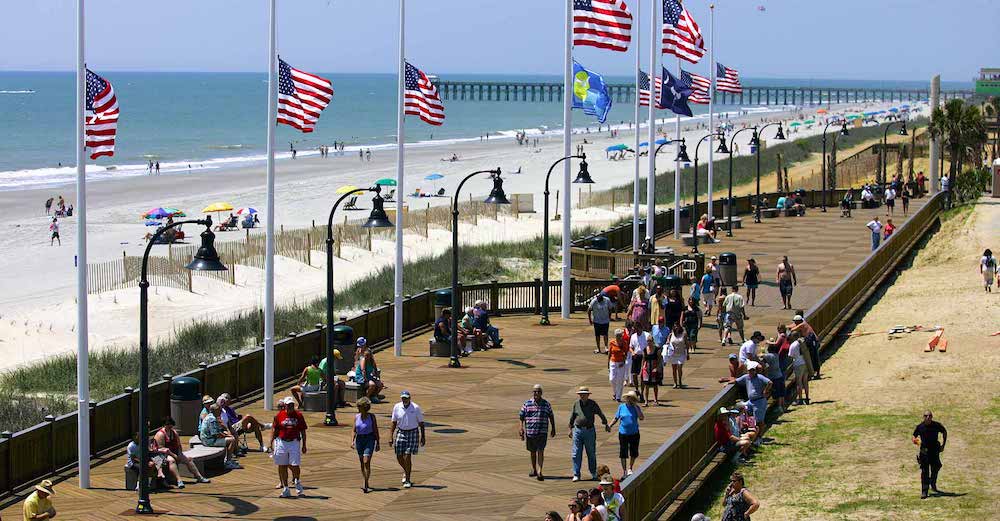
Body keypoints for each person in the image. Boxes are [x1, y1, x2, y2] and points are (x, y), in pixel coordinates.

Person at [568, 386, 610, 482]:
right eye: (580, 394)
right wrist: (570, 429)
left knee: (591, 452)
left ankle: (593, 473)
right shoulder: (576, 404)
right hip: (577, 430)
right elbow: (572, 417)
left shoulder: (592, 404)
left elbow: (600, 413)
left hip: (589, 430)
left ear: (588, 395)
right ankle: (576, 474)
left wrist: (605, 424)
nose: (582, 396)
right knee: (576, 453)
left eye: (584, 394)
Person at [152, 416, 210, 484]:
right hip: (163, 454)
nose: (169, 426)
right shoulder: (160, 434)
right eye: (167, 424)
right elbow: (162, 449)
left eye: (170, 424)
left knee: (188, 460)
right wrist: (174, 455)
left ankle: (199, 477)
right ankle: (179, 480)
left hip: (173, 452)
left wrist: (179, 454)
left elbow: (179, 445)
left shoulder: (174, 433)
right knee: (172, 460)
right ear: (164, 425)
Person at [271, 396, 308, 497]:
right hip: (282, 442)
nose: (290, 407)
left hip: (294, 442)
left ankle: (297, 481)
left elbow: (303, 431)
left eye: (292, 405)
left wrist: (304, 445)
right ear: (285, 405)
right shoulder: (279, 415)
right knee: (282, 465)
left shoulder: (299, 415)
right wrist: (271, 443)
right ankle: (285, 488)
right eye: (288, 405)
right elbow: (275, 430)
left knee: (295, 464)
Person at [519, 384, 556, 480]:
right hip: (530, 432)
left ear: (541, 393)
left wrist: (553, 428)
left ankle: (540, 471)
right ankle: (534, 469)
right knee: (532, 451)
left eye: (538, 391)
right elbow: (521, 417)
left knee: (540, 450)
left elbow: (551, 416)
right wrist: (521, 428)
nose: (536, 393)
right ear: (533, 393)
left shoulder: (546, 404)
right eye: (535, 391)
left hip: (542, 431)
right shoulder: (527, 403)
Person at [390, 390, 426, 489]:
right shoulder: (397, 407)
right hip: (401, 431)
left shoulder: (415, 407)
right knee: (399, 455)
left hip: (413, 432)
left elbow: (421, 423)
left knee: (407, 455)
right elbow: (393, 422)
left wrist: (423, 437)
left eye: (406, 398)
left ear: (410, 398)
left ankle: (408, 479)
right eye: (403, 398)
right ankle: (406, 470)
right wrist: (390, 436)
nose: (404, 399)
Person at [721, 361, 772, 430]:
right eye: (750, 371)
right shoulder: (746, 377)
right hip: (750, 401)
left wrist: (766, 390)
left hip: (759, 401)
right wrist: (727, 383)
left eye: (753, 370)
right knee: (742, 410)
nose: (751, 372)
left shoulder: (760, 377)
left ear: (755, 370)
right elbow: (736, 380)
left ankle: (759, 436)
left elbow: (770, 382)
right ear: (747, 371)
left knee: (759, 421)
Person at [912, 411, 947, 499]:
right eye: (926, 416)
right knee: (925, 472)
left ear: (932, 417)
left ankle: (933, 482)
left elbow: (944, 432)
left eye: (930, 416)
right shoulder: (920, 427)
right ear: (923, 417)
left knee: (937, 466)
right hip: (924, 452)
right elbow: (914, 436)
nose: (928, 417)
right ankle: (924, 491)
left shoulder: (936, 425)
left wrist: (943, 445)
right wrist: (916, 441)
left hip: (934, 451)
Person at [608, 391, 643, 477]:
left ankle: (630, 468)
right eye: (628, 398)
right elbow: (616, 418)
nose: (629, 399)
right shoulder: (621, 407)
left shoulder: (636, 407)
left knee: (633, 452)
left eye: (632, 398)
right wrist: (610, 425)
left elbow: (641, 418)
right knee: (623, 452)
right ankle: (624, 471)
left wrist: (636, 407)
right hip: (623, 433)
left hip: (634, 433)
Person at [351, 397, 380, 493]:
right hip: (359, 439)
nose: (358, 408)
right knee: (361, 462)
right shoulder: (357, 416)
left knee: (366, 461)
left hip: (369, 439)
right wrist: (352, 441)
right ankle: (365, 480)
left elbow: (375, 430)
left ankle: (366, 483)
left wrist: (378, 443)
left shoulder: (371, 417)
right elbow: (354, 430)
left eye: (359, 407)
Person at [200, 404, 241, 469]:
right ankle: (228, 462)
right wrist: (228, 435)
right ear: (214, 411)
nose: (220, 411)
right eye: (219, 410)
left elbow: (218, 431)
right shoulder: (212, 419)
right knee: (232, 440)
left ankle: (227, 459)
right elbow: (216, 434)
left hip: (208, 438)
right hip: (209, 441)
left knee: (230, 438)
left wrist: (225, 433)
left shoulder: (211, 416)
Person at [759, 342, 786, 413]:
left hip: (774, 377)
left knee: (777, 393)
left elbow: (761, 356)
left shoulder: (769, 356)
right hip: (779, 375)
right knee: (781, 392)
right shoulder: (776, 355)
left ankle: (779, 407)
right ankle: (783, 406)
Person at [639, 329, 662, 406]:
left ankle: (656, 399)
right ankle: (646, 401)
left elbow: (659, 359)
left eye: (650, 341)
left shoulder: (657, 349)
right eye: (648, 341)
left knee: (655, 385)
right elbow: (643, 359)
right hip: (647, 368)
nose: (649, 342)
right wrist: (642, 369)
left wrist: (657, 368)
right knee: (646, 385)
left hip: (654, 367)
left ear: (653, 341)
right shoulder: (645, 349)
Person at [788, 332, 810, 405]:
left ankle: (800, 399)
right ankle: (807, 398)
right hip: (805, 363)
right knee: (805, 381)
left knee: (799, 382)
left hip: (798, 364)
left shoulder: (793, 345)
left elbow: (790, 356)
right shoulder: (802, 342)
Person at [664, 323, 687, 389]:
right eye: (675, 327)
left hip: (681, 353)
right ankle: (675, 382)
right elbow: (667, 341)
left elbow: (686, 343)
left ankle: (680, 381)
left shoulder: (683, 334)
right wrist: (667, 342)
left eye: (677, 327)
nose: (676, 328)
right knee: (674, 369)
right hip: (673, 354)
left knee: (679, 367)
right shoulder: (671, 334)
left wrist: (687, 353)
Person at [608, 330, 628, 401]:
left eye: (620, 336)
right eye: (618, 336)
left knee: (620, 380)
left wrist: (623, 362)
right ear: (615, 336)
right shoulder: (612, 343)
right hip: (613, 362)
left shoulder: (624, 343)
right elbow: (609, 354)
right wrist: (608, 365)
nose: (620, 337)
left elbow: (626, 354)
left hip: (621, 363)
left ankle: (618, 396)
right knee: (612, 379)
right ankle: (615, 392)